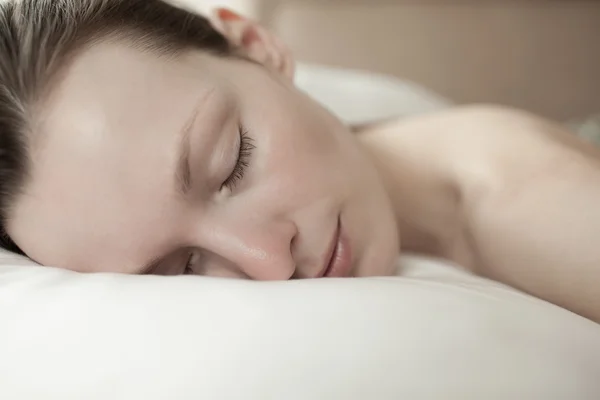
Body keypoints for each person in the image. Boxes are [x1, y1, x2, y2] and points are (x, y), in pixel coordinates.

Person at [0, 0, 599, 323]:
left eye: (233, 164)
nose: (268, 261)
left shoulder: (534, 204)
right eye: (181, 268)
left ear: (257, 48)